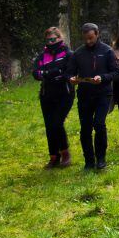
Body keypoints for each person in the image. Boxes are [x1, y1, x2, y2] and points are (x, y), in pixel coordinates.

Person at [66, 23, 119, 170]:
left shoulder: (107, 51)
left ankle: (101, 158)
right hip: (84, 95)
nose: (88, 41)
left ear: (97, 34)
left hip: (103, 94)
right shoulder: (78, 53)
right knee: (85, 128)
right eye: (85, 39)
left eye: (91, 38)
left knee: (99, 124)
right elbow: (70, 72)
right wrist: (72, 79)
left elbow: (116, 73)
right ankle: (89, 160)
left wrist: (102, 78)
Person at [32, 27, 75, 168]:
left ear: (59, 38)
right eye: (48, 40)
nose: (51, 42)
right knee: (49, 127)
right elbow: (36, 73)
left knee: (57, 123)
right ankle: (53, 157)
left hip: (65, 94)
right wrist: (52, 72)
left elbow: (67, 72)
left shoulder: (68, 53)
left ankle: (65, 153)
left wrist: (47, 73)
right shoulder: (42, 55)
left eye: (53, 39)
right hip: (47, 94)